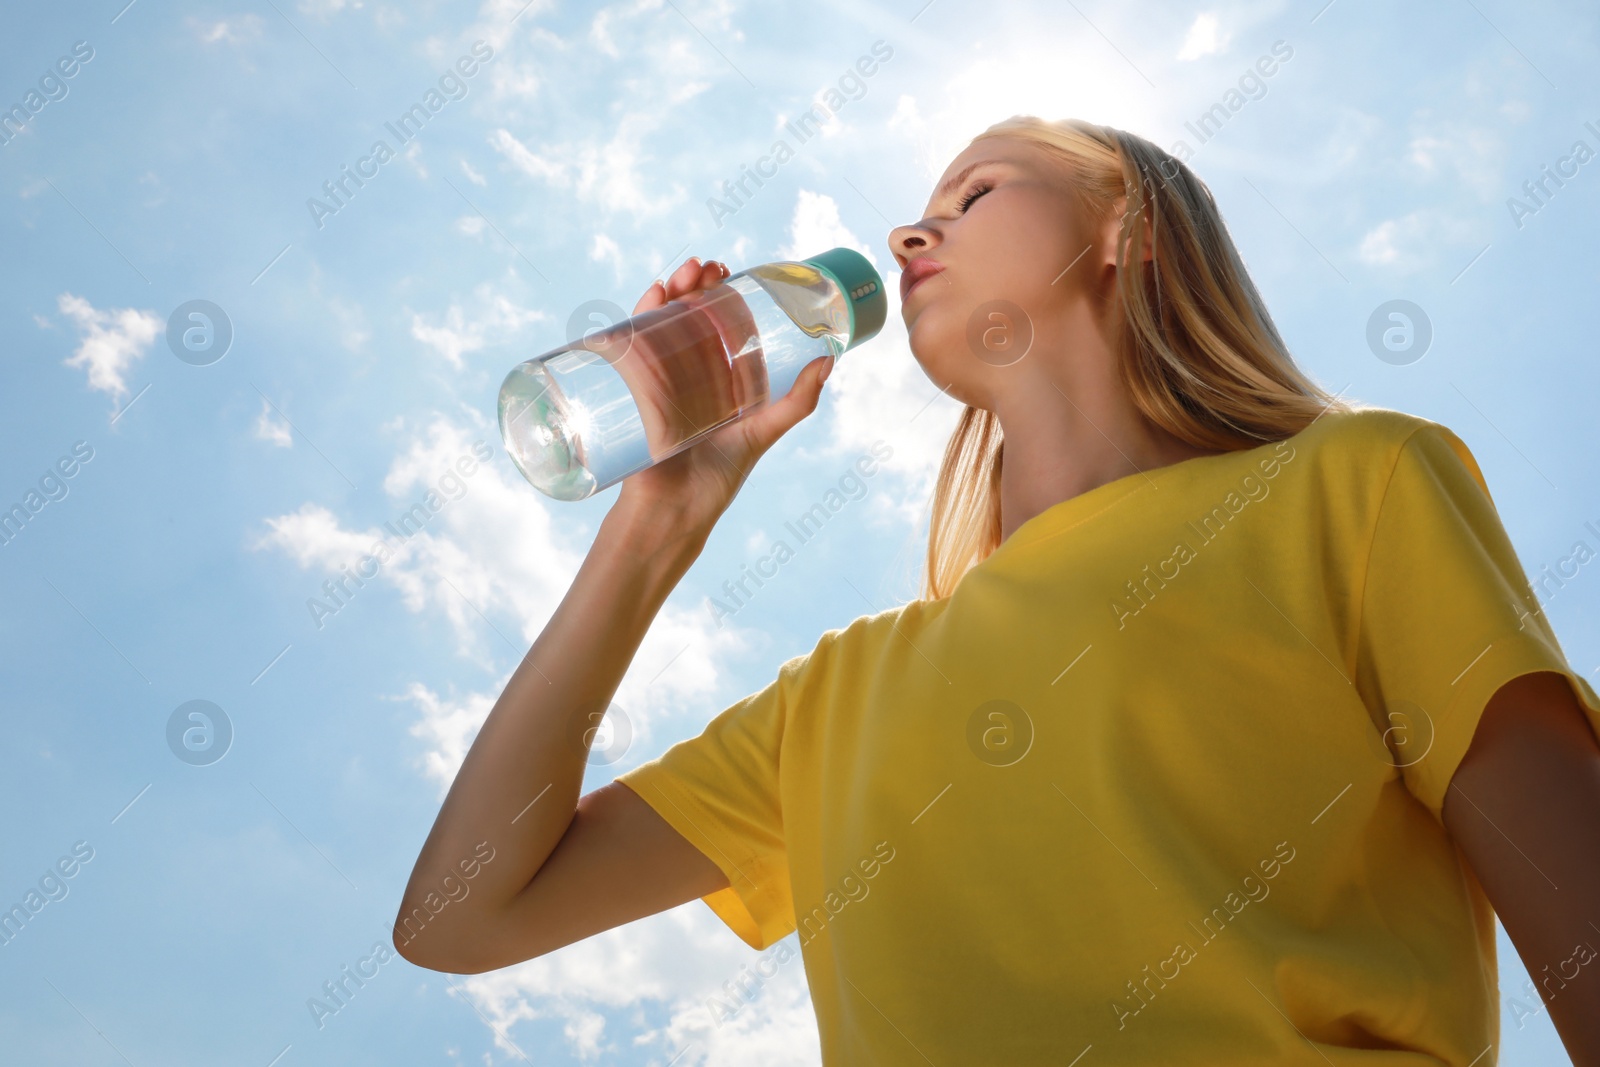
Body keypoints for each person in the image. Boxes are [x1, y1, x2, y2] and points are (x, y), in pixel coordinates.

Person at [393, 116, 1600, 1063]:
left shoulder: (1354, 483)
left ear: (1124, 226)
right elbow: (460, 914)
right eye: (918, 215)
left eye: (974, 194)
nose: (914, 236)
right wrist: (654, 528)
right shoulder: (836, 692)